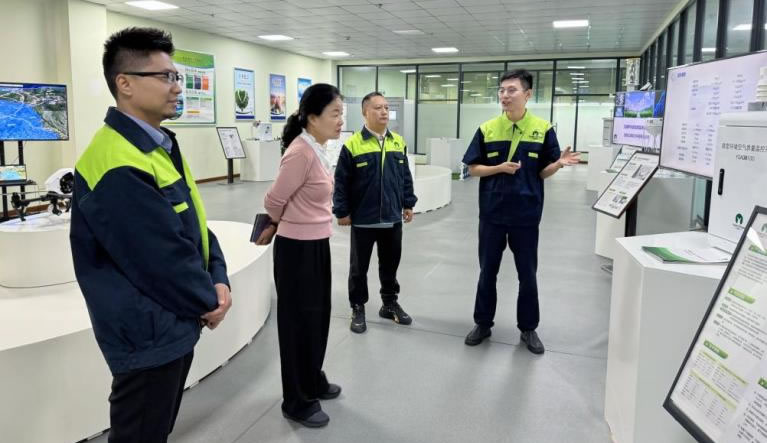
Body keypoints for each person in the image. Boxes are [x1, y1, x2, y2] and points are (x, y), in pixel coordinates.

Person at [69, 27, 232, 442]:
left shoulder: (157, 146)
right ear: (125, 84)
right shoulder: (116, 162)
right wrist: (207, 299)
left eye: (176, 76)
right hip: (146, 333)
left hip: (170, 322)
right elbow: (159, 258)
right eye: (165, 77)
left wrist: (218, 275)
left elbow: (193, 222)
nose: (177, 87)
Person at [462, 70, 579, 354]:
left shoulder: (543, 129)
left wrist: (558, 164)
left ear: (527, 95)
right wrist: (499, 168)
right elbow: (473, 168)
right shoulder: (487, 129)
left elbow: (543, 172)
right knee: (487, 271)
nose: (505, 95)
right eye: (502, 90)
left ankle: (528, 328)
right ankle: (483, 323)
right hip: (492, 214)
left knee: (527, 274)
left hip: (526, 215)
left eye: (511, 90)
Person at [258, 83, 344, 428]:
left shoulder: (317, 149)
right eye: (335, 114)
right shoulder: (300, 153)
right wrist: (279, 222)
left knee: (317, 318)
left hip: (317, 244)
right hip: (296, 250)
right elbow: (273, 200)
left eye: (341, 114)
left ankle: (312, 379)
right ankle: (296, 400)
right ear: (312, 117)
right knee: (298, 325)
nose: (340, 121)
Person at [332, 92, 418, 334]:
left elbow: (405, 177)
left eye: (386, 107)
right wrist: (342, 211)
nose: (384, 112)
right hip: (363, 220)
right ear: (365, 112)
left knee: (390, 264)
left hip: (392, 219)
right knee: (358, 269)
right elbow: (341, 182)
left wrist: (408, 203)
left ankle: (389, 303)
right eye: (378, 108)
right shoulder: (352, 145)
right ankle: (357, 307)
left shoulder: (398, 142)